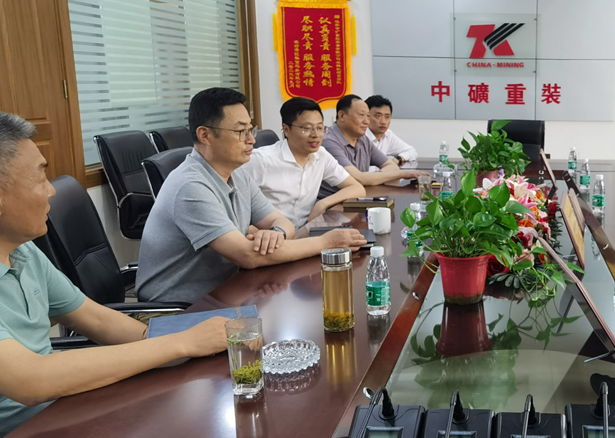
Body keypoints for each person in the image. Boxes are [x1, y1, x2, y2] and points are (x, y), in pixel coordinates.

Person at [0, 111, 232, 438]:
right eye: (40, 177)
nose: (50, 190)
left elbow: (95, 319)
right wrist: (180, 344)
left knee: (199, 433)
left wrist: (190, 345)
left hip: (53, 420)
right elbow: (30, 379)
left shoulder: (17, 248)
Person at [136, 88, 365, 304]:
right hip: (179, 309)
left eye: (250, 130)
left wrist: (275, 234)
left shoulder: (237, 174)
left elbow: (282, 222)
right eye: (240, 132)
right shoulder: (190, 186)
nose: (251, 140)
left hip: (229, 290)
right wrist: (326, 243)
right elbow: (247, 256)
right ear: (205, 135)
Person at [246, 97, 366, 228]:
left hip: (307, 230)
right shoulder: (260, 160)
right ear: (286, 130)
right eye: (307, 128)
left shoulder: (321, 155)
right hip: (273, 235)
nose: (315, 135)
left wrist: (322, 204)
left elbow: (357, 188)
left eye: (320, 127)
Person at [321, 94, 424, 197]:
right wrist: (403, 174)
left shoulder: (362, 139)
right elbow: (357, 179)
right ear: (342, 116)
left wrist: (371, 179)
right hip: (330, 203)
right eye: (361, 115)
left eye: (368, 116)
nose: (366, 121)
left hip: (358, 198)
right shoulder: (329, 141)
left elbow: (391, 166)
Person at [365, 94, 418, 166]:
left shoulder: (387, 134)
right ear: (366, 116)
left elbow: (411, 151)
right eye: (378, 116)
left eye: (387, 117)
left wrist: (398, 159)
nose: (383, 122)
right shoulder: (359, 136)